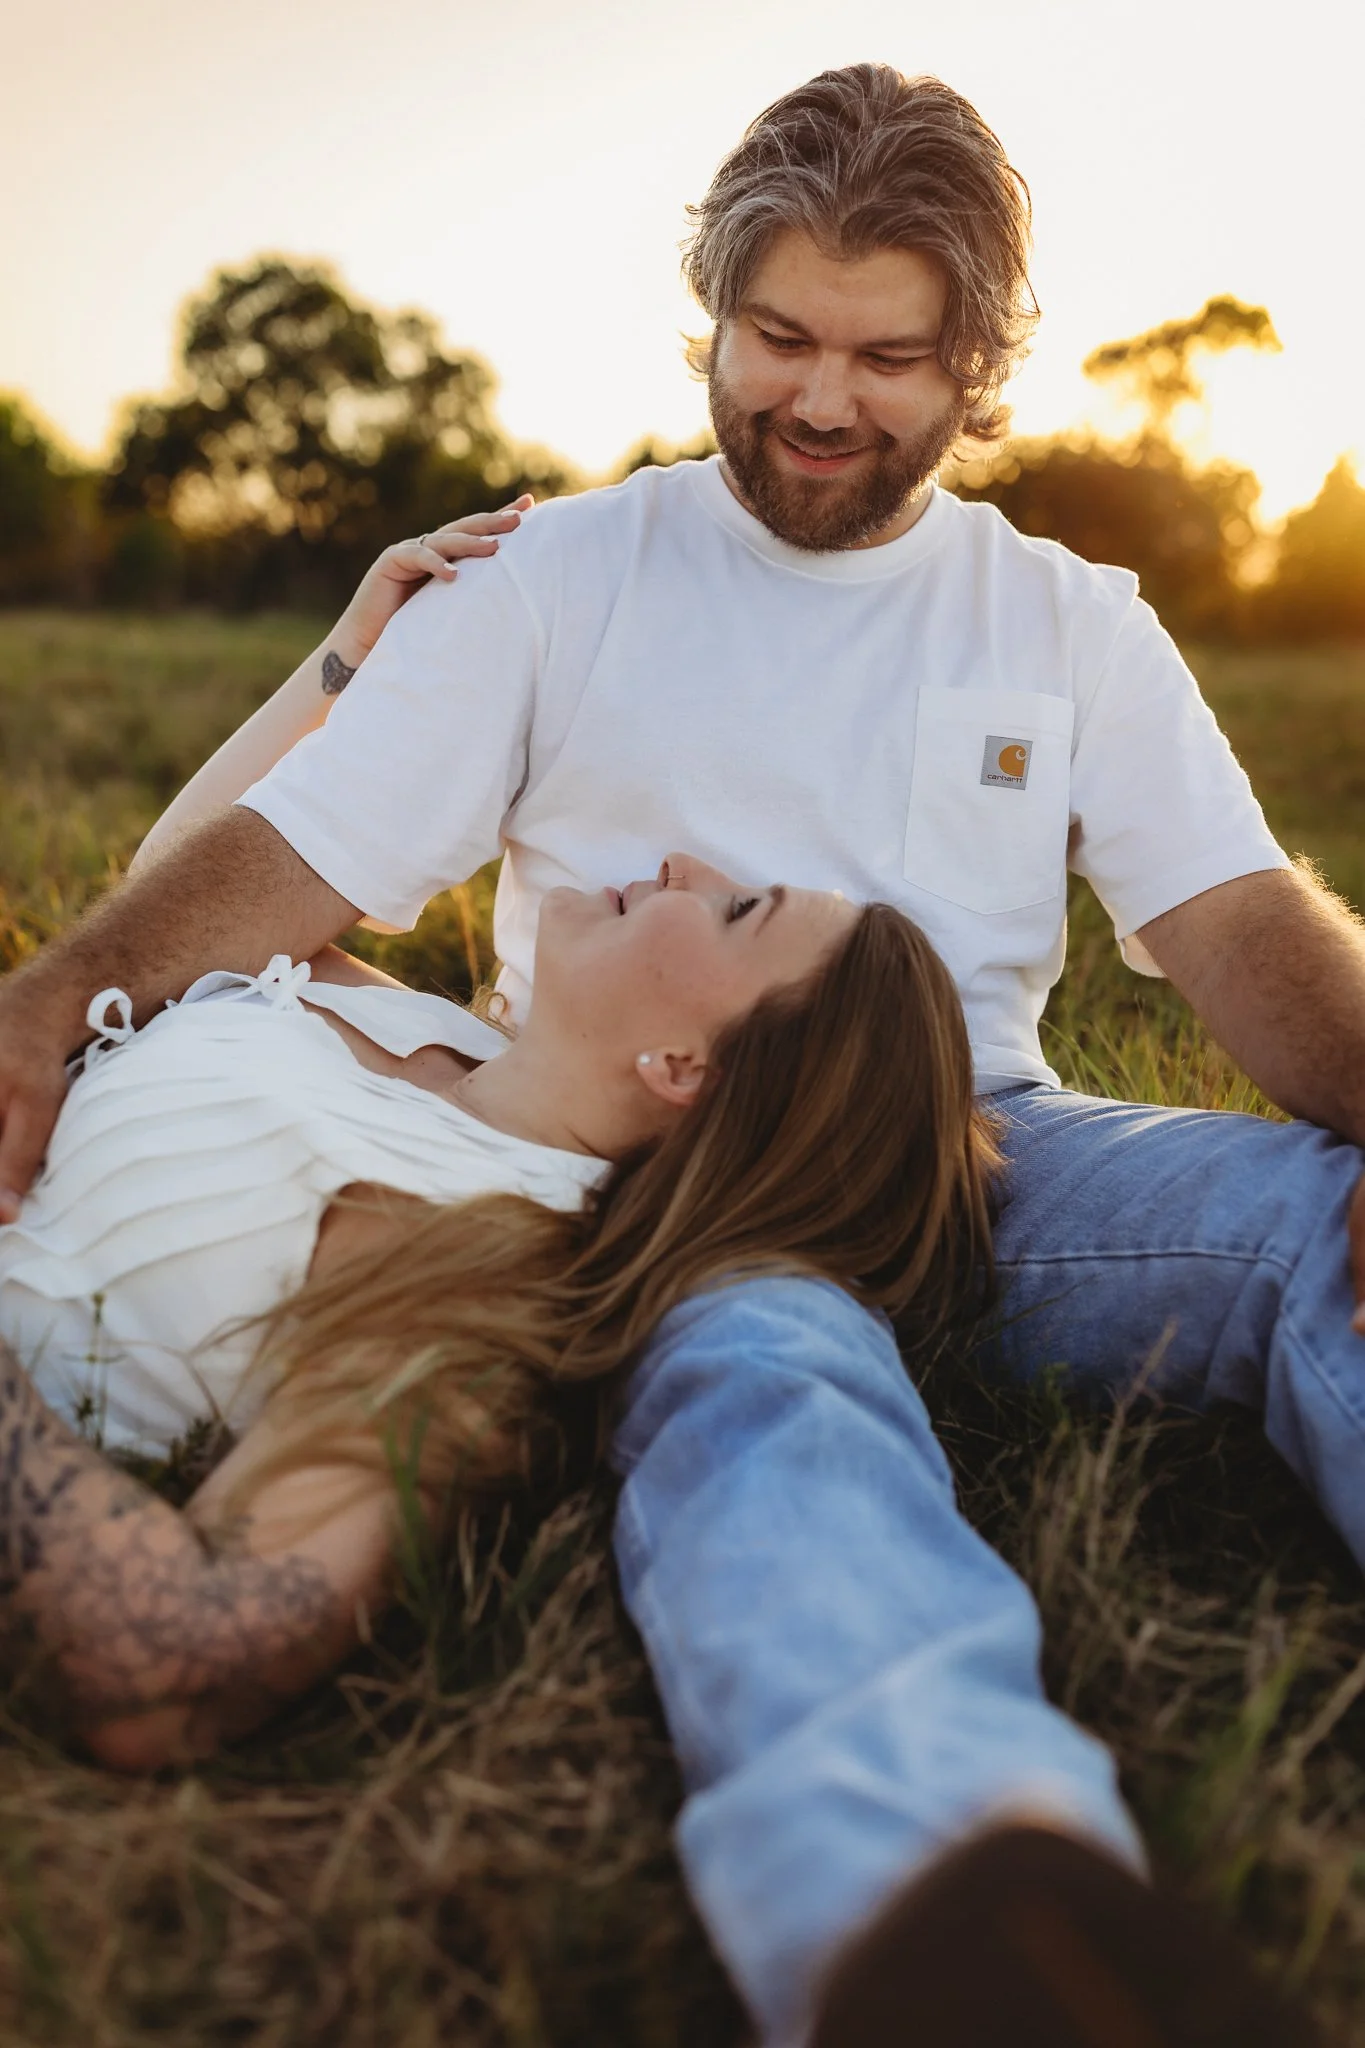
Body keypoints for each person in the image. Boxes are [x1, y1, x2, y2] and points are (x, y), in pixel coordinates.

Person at [0, 56, 1358, 2047]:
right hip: (674, 1185)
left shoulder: (1061, 619)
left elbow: (1237, 929)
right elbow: (299, 853)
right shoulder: (563, 578)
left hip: (988, 1150)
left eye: (885, 358)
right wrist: (52, 1005)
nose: (817, 399)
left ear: (975, 366)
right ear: (713, 315)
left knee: (1320, 1218)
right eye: (776, 335)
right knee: (767, 1398)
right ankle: (943, 1900)